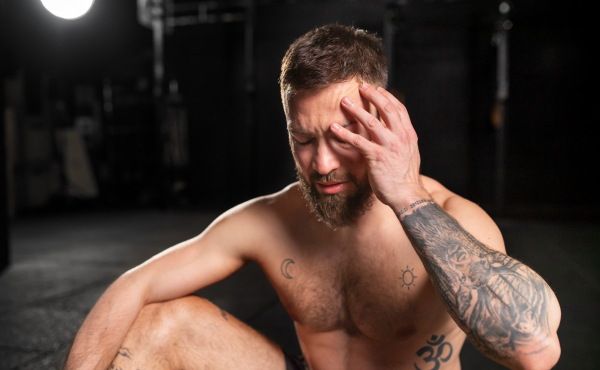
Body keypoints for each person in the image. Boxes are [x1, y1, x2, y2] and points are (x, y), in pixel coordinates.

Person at [64, 25, 561, 370]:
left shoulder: (453, 220)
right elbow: (134, 284)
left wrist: (408, 196)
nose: (321, 165)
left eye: (343, 138)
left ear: (386, 123)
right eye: (303, 140)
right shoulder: (270, 219)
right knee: (160, 322)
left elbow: (534, 350)